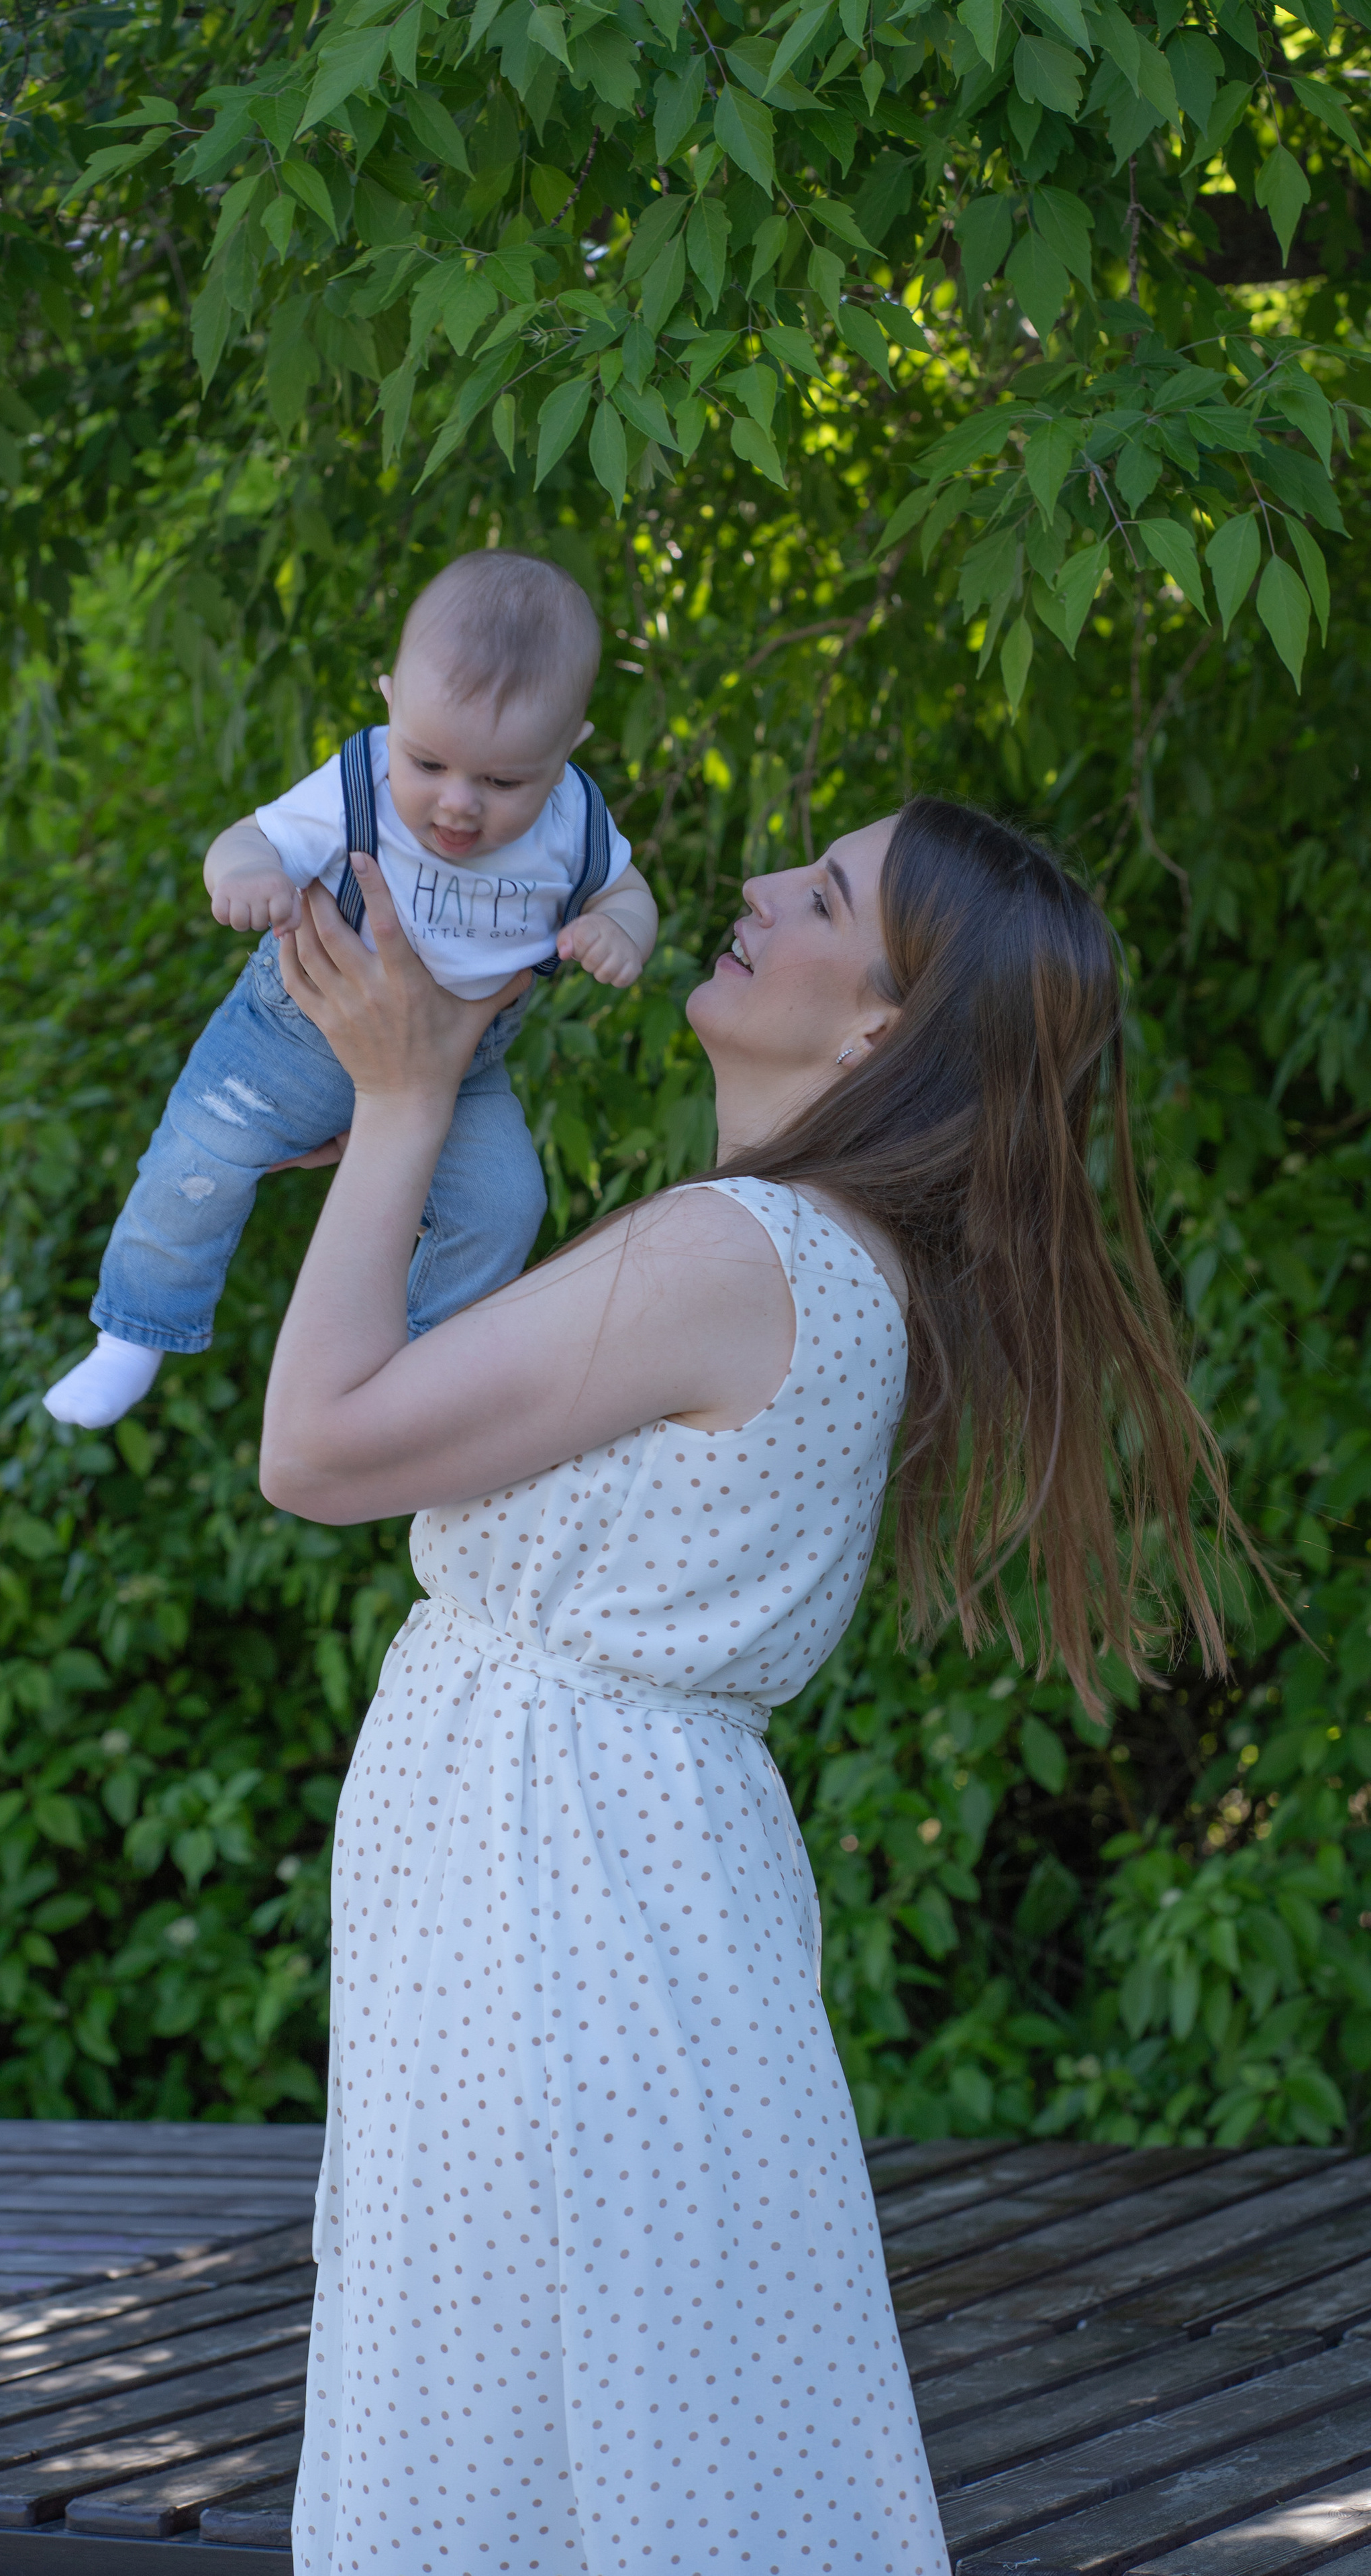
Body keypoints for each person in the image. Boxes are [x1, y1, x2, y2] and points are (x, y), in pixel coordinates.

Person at [256, 794, 1236, 2575]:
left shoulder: (734, 1251)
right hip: (605, 1894)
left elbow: (317, 1449)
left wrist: (400, 1103)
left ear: (878, 1029)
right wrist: (407, 1129)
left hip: (557, 1907)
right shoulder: (819, 1255)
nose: (764, 890)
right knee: (609, 2421)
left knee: (517, 2424)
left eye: (826, 895)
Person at [43, 550, 659, 1430]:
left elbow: (627, 892)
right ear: (390, 705)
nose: (458, 805)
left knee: (504, 1203)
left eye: (502, 782)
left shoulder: (576, 823)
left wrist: (620, 929)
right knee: (198, 1160)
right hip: (292, 1035)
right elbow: (249, 837)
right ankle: (134, 1333)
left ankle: (430, 1363)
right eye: (429, 762)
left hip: (458, 1069)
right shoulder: (356, 782)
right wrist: (246, 874)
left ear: (568, 751)